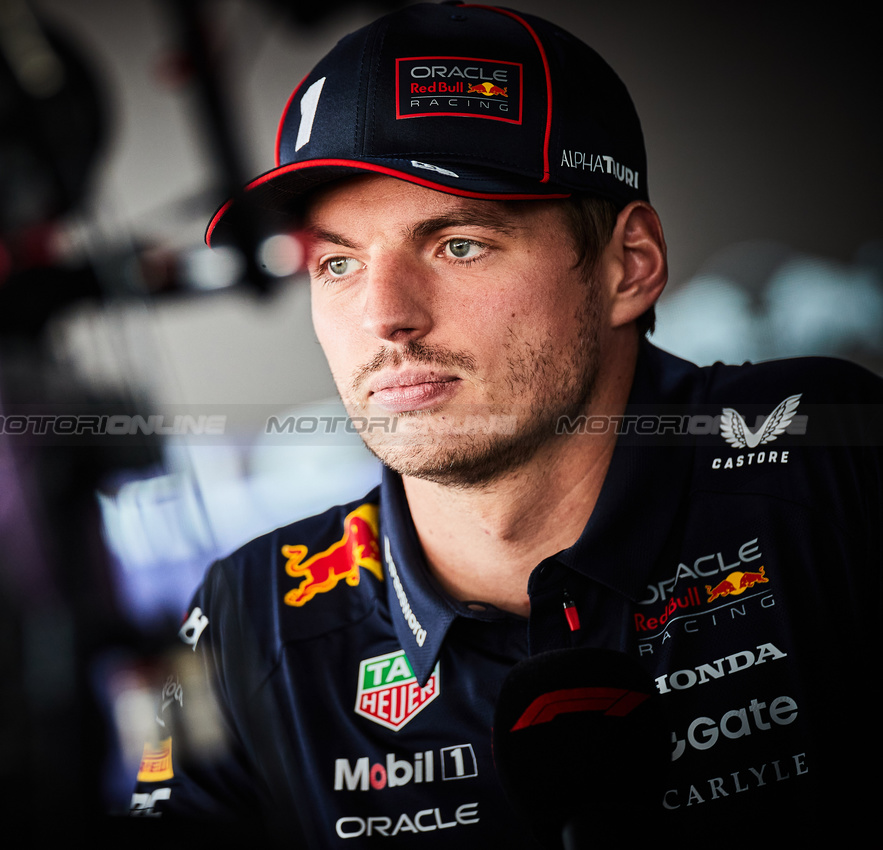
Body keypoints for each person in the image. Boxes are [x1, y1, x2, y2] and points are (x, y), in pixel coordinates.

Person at [130, 3, 882, 847]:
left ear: (628, 266)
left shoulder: (829, 461)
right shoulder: (242, 619)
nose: (386, 318)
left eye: (458, 244)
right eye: (337, 262)